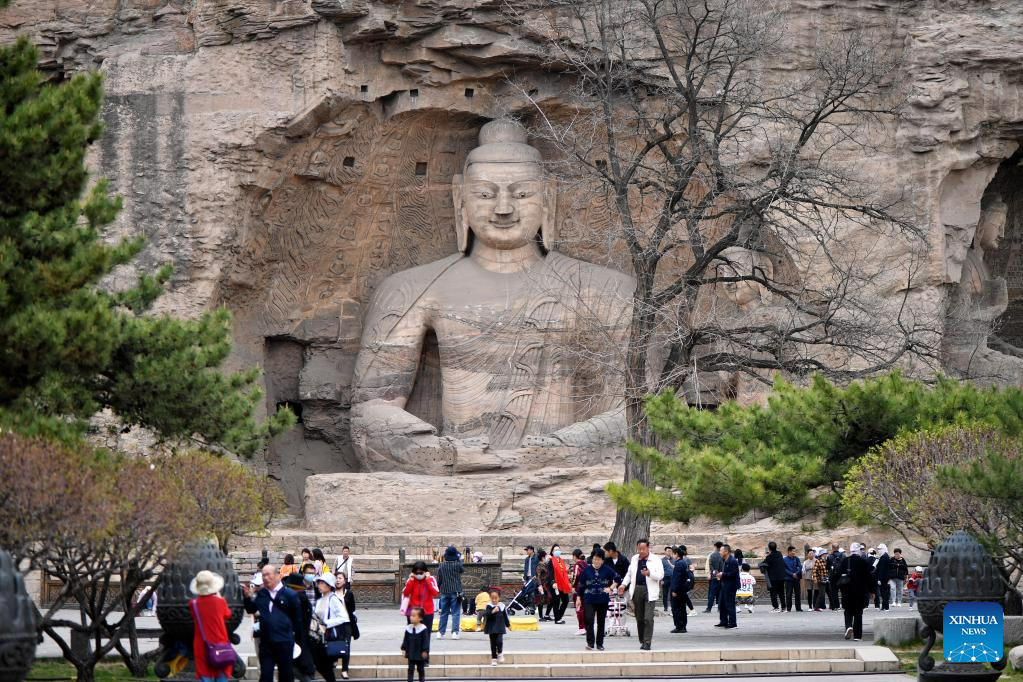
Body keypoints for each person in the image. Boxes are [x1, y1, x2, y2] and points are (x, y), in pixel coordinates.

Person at [243, 564, 303, 682]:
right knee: (265, 676)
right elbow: (251, 609)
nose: (265, 578)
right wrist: (247, 598)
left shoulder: (290, 594)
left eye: (268, 574)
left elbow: (298, 620)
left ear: (277, 576)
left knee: (286, 676)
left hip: (284, 642)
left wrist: (293, 637)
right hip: (266, 643)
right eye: (263, 575)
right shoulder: (262, 594)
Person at [619, 538, 664, 651]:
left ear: (648, 548)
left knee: (648, 618)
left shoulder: (655, 559)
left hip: (650, 590)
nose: (641, 551)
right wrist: (623, 585)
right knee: (639, 618)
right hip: (637, 590)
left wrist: (649, 574)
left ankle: (647, 642)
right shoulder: (634, 558)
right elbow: (629, 574)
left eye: (643, 549)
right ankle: (642, 640)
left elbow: (660, 575)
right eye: (639, 549)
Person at [189, 570, 233, 682]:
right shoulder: (220, 602)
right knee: (221, 675)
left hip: (202, 645)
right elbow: (228, 614)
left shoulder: (193, 604)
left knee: (205, 676)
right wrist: (219, 597)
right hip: (220, 644)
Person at [574, 548, 618, 651]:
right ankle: (590, 643)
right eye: (594, 559)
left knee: (601, 622)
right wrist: (578, 598)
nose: (596, 561)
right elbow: (581, 585)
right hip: (589, 599)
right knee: (589, 619)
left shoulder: (607, 569)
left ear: (602, 560)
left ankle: (599, 644)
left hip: (602, 599)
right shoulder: (586, 570)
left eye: (598, 559)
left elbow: (618, 578)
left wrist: (610, 588)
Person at [309, 574, 349, 682]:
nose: (319, 585)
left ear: (329, 585)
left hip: (328, 638)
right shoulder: (320, 600)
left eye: (322, 583)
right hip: (319, 638)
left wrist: (326, 623)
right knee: (322, 666)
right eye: (319, 583)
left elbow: (344, 617)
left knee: (325, 667)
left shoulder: (333, 599)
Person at [837, 542, 876, 641]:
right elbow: (869, 577)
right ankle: (857, 636)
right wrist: (872, 591)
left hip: (846, 591)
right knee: (858, 612)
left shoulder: (845, 561)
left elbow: (838, 575)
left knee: (848, 610)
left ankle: (849, 626)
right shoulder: (863, 562)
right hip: (859, 591)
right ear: (859, 550)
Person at [282, 573, 317, 682]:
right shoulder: (302, 596)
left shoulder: (297, 597)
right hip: (302, 629)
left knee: (299, 657)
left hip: (298, 630)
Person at [402, 561, 440, 638]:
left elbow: (436, 592)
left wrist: (428, 580)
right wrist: (411, 581)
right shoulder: (411, 580)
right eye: (417, 573)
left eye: (421, 572)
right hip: (413, 612)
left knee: (426, 636)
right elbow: (405, 593)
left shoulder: (431, 579)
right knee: (412, 636)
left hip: (427, 612)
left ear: (425, 572)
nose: (419, 575)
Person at [436, 545, 464, 639]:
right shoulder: (457, 565)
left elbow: (439, 579)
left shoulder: (442, 565)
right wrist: (458, 558)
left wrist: (438, 588)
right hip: (456, 591)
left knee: (444, 612)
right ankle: (455, 632)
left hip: (444, 591)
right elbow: (462, 569)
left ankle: (440, 632)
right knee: (456, 612)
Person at [334, 573, 357, 679]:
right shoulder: (331, 593)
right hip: (335, 624)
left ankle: (344, 670)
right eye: (336, 578)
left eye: (340, 578)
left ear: (344, 581)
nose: (338, 580)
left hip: (347, 623)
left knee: (346, 646)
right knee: (334, 643)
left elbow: (353, 609)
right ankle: (334, 660)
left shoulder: (349, 593)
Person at [482, 589, 510, 666]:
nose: (494, 600)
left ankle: (500, 653)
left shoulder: (502, 606)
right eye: (492, 598)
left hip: (500, 626)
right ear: (490, 598)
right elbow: (487, 615)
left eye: (496, 598)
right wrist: (493, 611)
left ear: (499, 598)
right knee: (493, 643)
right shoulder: (489, 606)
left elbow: (505, 616)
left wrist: (508, 625)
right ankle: (494, 658)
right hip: (491, 627)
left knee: (499, 641)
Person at [402, 607, 430, 682]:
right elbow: (405, 640)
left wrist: (425, 650)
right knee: (410, 669)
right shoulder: (408, 628)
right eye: (411, 615)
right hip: (411, 652)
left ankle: (422, 680)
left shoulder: (423, 629)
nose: (411, 617)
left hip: (419, 653)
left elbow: (426, 641)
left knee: (420, 669)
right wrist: (404, 649)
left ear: (420, 618)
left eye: (414, 616)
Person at [715, 544, 739, 629]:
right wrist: (719, 575)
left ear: (726, 551)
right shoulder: (723, 560)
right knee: (722, 604)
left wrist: (723, 574)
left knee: (729, 604)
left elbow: (734, 574)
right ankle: (723, 621)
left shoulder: (732, 561)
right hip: (723, 584)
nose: (720, 552)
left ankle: (732, 623)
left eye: (721, 551)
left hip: (730, 585)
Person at [549, 544, 573, 624]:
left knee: (566, 600)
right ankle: (557, 619)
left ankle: (559, 616)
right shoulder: (551, 561)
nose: (557, 551)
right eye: (555, 550)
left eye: (558, 550)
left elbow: (563, 572)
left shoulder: (561, 561)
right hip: (555, 585)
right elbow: (550, 573)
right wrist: (553, 582)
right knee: (556, 602)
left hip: (562, 584)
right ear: (552, 552)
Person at [668, 547, 690, 633]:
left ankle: (679, 626)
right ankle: (683, 625)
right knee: (682, 608)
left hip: (678, 590)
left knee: (676, 608)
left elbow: (677, 578)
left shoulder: (679, 564)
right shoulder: (683, 562)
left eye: (673, 554)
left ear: (676, 554)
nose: (672, 555)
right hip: (682, 589)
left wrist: (674, 590)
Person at [571, 549, 588, 635]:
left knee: (579, 608)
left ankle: (582, 628)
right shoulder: (585, 563)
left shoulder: (577, 565)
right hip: (586, 588)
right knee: (584, 608)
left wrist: (572, 586)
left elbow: (575, 577)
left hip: (579, 588)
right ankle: (586, 627)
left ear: (574, 556)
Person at [705, 541, 724, 612]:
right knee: (721, 593)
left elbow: (711, 566)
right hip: (722, 577)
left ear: (715, 546)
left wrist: (715, 574)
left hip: (714, 577)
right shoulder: (723, 555)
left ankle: (709, 608)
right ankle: (720, 608)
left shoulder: (712, 555)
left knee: (712, 593)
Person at [783, 546, 803, 612]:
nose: (794, 552)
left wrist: (796, 573)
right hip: (788, 579)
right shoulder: (784, 559)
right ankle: (788, 608)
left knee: (798, 593)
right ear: (789, 551)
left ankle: (798, 608)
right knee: (788, 594)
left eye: (795, 551)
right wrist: (792, 574)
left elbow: (800, 567)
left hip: (796, 578)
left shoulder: (797, 559)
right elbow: (784, 569)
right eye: (793, 551)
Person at [536, 549, 553, 621]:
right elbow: (538, 576)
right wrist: (539, 585)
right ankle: (540, 616)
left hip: (547, 585)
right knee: (541, 600)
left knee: (551, 599)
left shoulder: (546, 564)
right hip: (542, 585)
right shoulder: (539, 566)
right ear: (543, 557)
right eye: (546, 556)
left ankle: (546, 615)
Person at [826, 544, 845, 610]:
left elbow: (827, 567)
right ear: (838, 548)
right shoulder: (843, 555)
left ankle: (836, 606)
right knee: (843, 592)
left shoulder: (829, 557)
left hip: (833, 576)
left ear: (832, 548)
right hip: (842, 576)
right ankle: (844, 606)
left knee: (834, 592)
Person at [874, 544, 891, 610]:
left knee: (884, 592)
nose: (879, 550)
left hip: (883, 578)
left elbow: (882, 569)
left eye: (880, 549)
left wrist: (879, 579)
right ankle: (884, 606)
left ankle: (886, 607)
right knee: (884, 592)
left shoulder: (884, 557)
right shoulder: (885, 556)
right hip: (885, 577)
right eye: (878, 549)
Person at [660, 547, 675, 613]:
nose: (669, 552)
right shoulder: (662, 560)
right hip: (665, 578)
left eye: (670, 551)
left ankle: (672, 606)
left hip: (672, 578)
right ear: (665, 552)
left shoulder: (674, 560)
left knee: (672, 593)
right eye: (668, 551)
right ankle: (665, 607)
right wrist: (661, 579)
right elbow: (660, 570)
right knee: (665, 593)